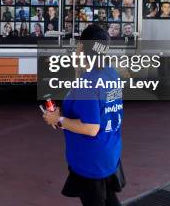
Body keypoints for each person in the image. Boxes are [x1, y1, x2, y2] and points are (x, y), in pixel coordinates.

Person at [42, 24, 125, 206]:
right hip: (109, 152)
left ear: (82, 47)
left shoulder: (89, 83)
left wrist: (58, 120)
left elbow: (91, 128)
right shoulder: (111, 73)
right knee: (110, 200)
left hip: (91, 160)